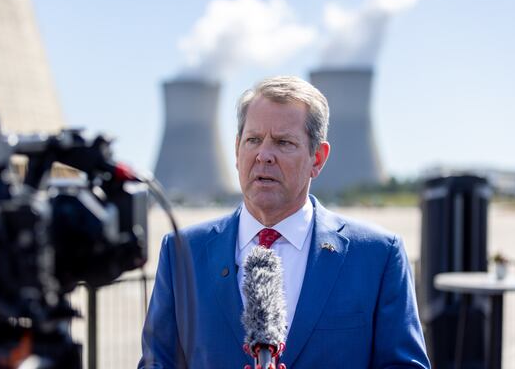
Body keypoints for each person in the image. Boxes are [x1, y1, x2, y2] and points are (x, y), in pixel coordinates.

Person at [139, 76, 430, 368]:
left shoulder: (376, 256)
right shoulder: (184, 252)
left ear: (317, 158)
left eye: (283, 142)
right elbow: (157, 362)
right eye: (253, 140)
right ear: (237, 150)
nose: (264, 155)